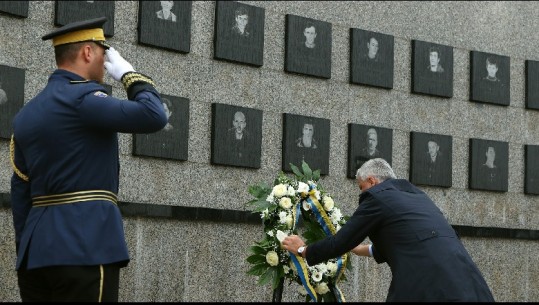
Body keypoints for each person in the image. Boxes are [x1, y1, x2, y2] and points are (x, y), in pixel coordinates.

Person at [10, 17, 168, 302]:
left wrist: (27, 252)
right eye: (103, 52)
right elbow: (154, 115)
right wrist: (129, 75)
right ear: (87, 52)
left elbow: (21, 194)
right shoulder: (84, 99)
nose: (106, 63)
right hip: (86, 245)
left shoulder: (26, 115)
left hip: (36, 256)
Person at [282, 158, 495, 302]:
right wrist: (359, 249)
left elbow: (340, 242)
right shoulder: (416, 196)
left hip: (427, 288)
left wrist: (304, 250)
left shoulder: (377, 197)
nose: (362, 193)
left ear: (372, 181)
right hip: (469, 284)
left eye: (361, 187)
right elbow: (408, 241)